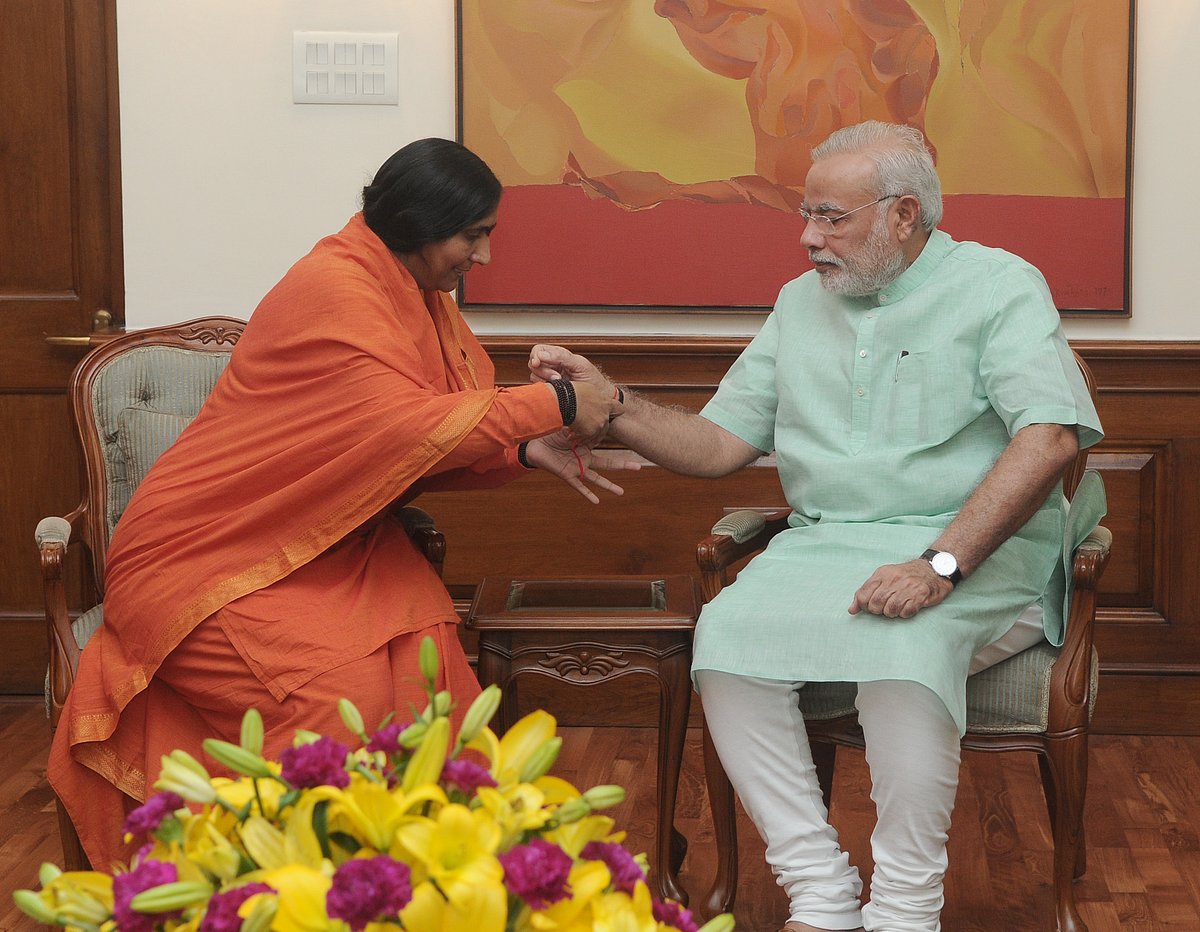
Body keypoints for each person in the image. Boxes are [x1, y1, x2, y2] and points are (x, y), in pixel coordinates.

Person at [528, 121, 1103, 932]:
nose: (808, 238)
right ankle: (821, 888)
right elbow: (722, 441)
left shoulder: (1000, 286)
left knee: (901, 643)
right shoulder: (802, 304)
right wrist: (612, 407)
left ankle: (905, 909)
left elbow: (1049, 434)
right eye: (807, 215)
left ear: (904, 214)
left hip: (973, 548)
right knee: (725, 636)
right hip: (826, 545)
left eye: (832, 218)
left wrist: (937, 566)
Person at [49, 137, 630, 870]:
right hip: (208, 556)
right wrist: (561, 402)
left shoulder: (414, 294)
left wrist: (522, 448)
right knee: (333, 707)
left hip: (324, 547)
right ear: (419, 225)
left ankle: (420, 890)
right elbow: (397, 427)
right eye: (472, 236)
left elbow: (409, 447)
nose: (481, 257)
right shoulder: (335, 288)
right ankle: (301, 894)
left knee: (431, 681)